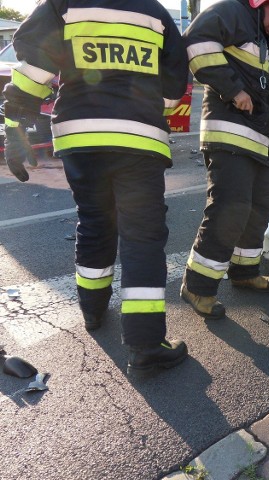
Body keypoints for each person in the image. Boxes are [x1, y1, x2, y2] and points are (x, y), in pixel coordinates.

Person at [3, 0, 190, 376]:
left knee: (94, 222)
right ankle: (145, 345)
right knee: (142, 236)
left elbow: (34, 67)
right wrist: (148, 106)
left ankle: (92, 310)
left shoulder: (64, 3)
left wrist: (14, 125)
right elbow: (174, 87)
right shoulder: (155, 13)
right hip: (140, 138)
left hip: (79, 136)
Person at [180, 0, 269, 319]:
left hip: (258, 139)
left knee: (260, 206)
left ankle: (243, 272)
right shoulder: (232, 13)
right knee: (230, 208)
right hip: (228, 134)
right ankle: (197, 286)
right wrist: (233, 89)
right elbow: (196, 42)